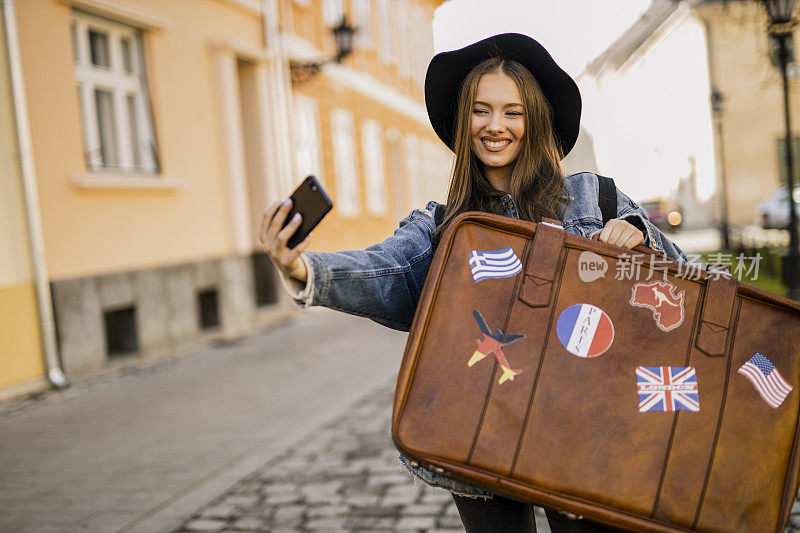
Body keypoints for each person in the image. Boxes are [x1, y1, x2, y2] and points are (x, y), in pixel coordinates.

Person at [259, 33, 687, 533]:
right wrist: (304, 269)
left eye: (513, 111)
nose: (495, 126)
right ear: (465, 121)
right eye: (481, 111)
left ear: (536, 119)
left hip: (584, 425)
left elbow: (682, 282)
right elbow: (388, 270)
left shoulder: (595, 199)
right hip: (481, 423)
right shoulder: (442, 226)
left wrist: (641, 246)